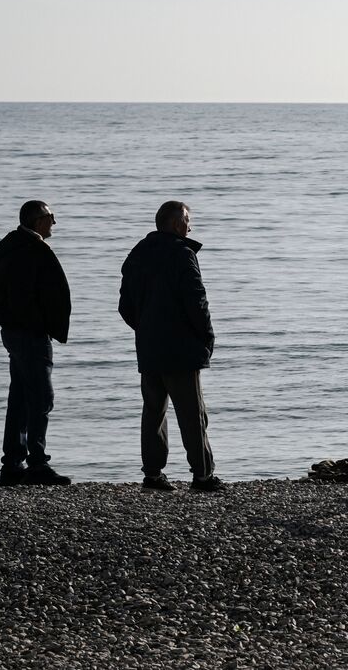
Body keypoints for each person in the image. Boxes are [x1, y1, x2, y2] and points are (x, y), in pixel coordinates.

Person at [119, 200, 223, 492]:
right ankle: (202, 475)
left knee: (154, 411)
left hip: (149, 347)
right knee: (192, 414)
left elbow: (125, 305)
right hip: (181, 348)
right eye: (188, 222)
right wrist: (206, 336)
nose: (191, 227)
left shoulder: (138, 253)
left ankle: (152, 474)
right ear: (178, 225)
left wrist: (145, 329)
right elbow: (196, 301)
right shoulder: (182, 254)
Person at [0, 200, 72, 486]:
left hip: (14, 331)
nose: (54, 223)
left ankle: (12, 463)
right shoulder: (32, 249)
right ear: (38, 221)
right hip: (30, 333)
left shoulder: (9, 246)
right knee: (39, 398)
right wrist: (42, 323)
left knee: (20, 396)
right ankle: (36, 463)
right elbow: (34, 293)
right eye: (51, 217)